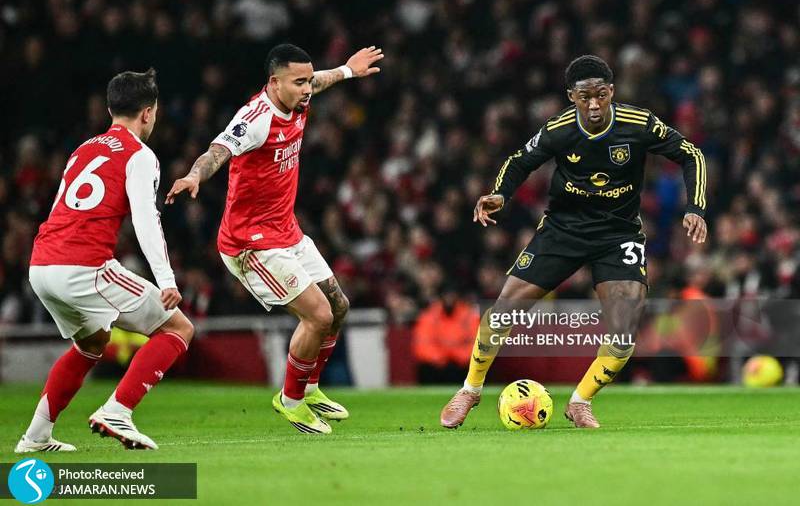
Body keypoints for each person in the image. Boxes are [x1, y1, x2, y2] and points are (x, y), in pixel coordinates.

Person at [440, 55, 707, 429]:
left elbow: (691, 154)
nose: (594, 104)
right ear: (572, 97)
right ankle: (470, 389)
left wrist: (696, 207)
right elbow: (520, 161)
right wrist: (501, 193)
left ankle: (580, 401)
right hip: (563, 230)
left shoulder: (639, 123)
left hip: (618, 234)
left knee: (624, 333)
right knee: (502, 312)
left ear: (611, 91)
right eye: (585, 97)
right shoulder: (559, 129)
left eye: (601, 95)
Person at [166, 44, 383, 434]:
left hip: (286, 230)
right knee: (318, 315)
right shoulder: (255, 119)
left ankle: (310, 388)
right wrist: (195, 175)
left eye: (308, 81)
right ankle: (291, 400)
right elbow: (217, 151)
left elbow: (321, 80)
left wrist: (348, 70)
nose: (307, 89)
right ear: (274, 82)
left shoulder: (299, 97)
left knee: (338, 307)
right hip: (251, 245)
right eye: (299, 82)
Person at [17, 69, 193, 452]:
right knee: (178, 328)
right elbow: (146, 220)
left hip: (42, 265)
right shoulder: (140, 155)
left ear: (111, 109)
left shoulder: (84, 149)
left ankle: (35, 437)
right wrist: (166, 279)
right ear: (148, 113)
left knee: (92, 343)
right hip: (83, 267)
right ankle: (118, 411)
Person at [412, 287, 480, 383]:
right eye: (446, 295)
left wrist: (457, 356)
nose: (449, 299)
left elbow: (477, 344)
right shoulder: (429, 315)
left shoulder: (469, 316)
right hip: (436, 365)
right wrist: (441, 357)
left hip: (462, 365)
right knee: (426, 368)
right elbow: (422, 345)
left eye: (452, 296)